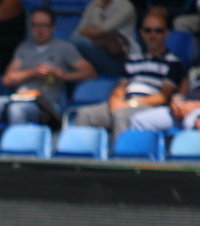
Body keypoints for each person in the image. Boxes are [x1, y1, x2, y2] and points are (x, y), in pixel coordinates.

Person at [0, 7, 96, 129]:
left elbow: (90, 72)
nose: (40, 30)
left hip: (44, 104)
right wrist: (33, 72)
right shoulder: (23, 48)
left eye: (44, 25)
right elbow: (8, 79)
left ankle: (18, 145)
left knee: (16, 111)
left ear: (53, 28)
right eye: (36, 25)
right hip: (18, 98)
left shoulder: (64, 48)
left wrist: (63, 75)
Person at [73, 10, 183, 139]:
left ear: (166, 34)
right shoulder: (133, 59)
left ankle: (119, 152)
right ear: (142, 33)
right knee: (84, 114)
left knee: (121, 115)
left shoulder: (173, 62)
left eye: (158, 31)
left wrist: (131, 104)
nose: (152, 35)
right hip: (124, 104)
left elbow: (164, 97)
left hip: (148, 108)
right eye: (148, 30)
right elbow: (121, 86)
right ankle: (80, 152)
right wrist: (115, 100)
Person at [130, 22, 200, 132]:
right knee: (139, 120)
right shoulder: (195, 63)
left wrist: (196, 105)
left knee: (190, 123)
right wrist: (176, 103)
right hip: (184, 108)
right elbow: (181, 91)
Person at [70, 0, 138, 77]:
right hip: (96, 52)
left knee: (77, 41)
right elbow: (79, 30)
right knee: (69, 44)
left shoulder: (126, 7)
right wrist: (92, 32)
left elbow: (99, 30)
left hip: (119, 59)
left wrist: (99, 3)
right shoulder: (92, 4)